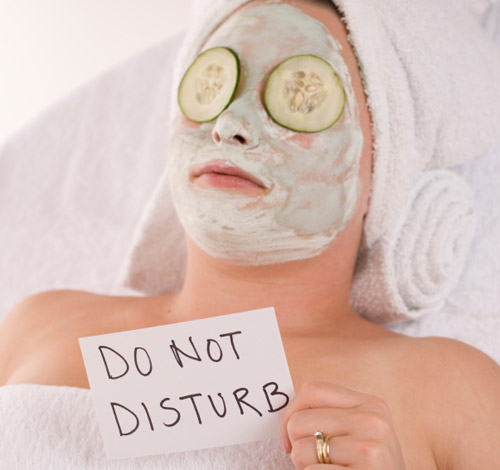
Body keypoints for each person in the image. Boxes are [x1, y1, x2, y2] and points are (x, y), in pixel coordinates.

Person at [1, 0, 499, 468]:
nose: (229, 124)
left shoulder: (453, 390)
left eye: (300, 96)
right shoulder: (36, 326)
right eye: (215, 86)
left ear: (385, 158)